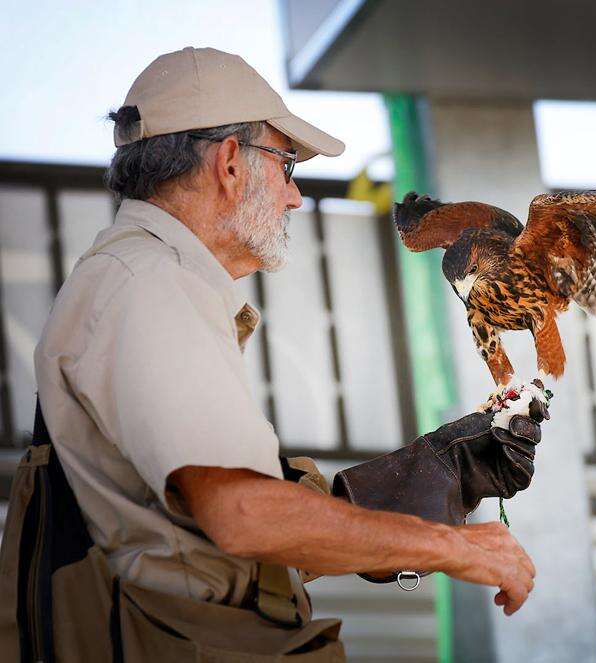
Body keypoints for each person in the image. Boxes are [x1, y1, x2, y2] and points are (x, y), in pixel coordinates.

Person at [1, 47, 547, 662]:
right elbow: (241, 515)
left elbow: (202, 538)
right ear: (230, 163)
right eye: (287, 164)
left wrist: (427, 476)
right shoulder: (149, 284)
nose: (295, 197)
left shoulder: (142, 280)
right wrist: (455, 548)